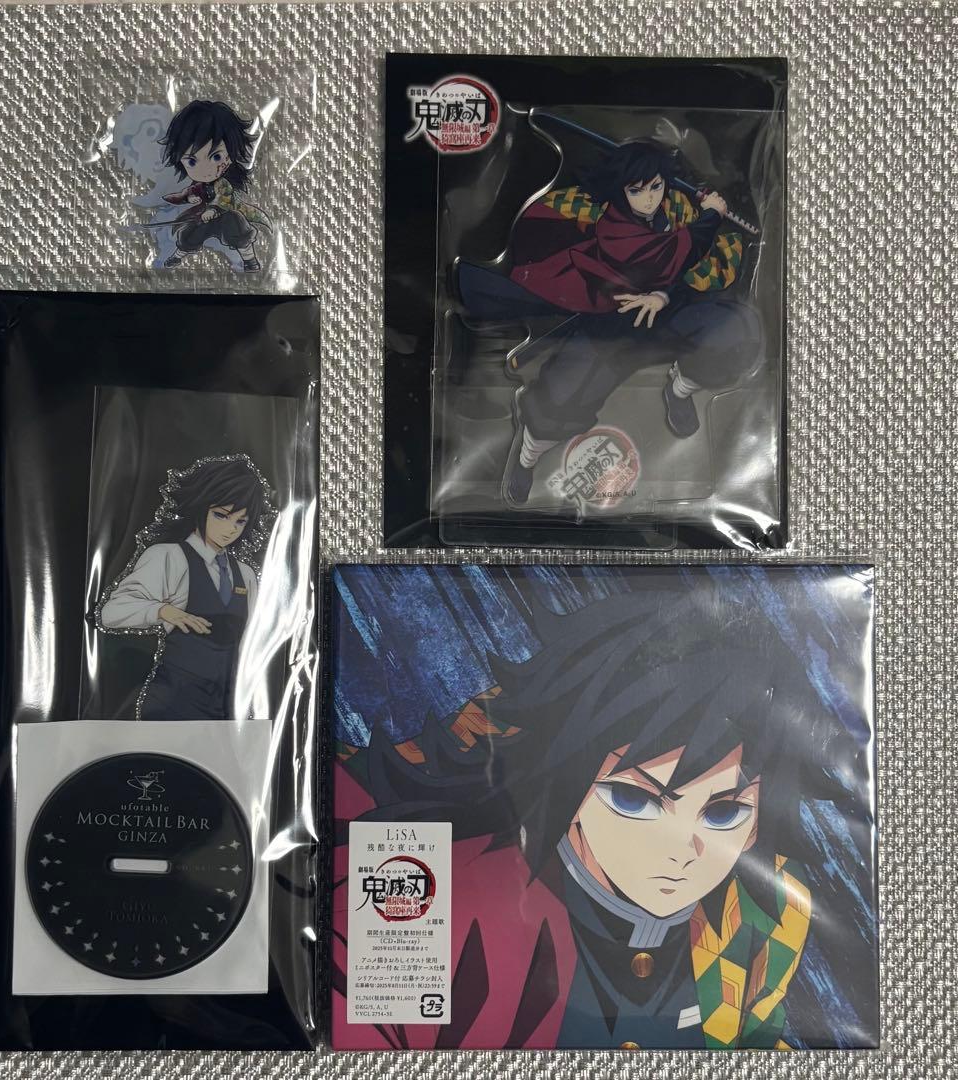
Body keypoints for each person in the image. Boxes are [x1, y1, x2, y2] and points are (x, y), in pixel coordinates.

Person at [333, 584, 867, 1049]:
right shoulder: (436, 891)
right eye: (635, 801)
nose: (682, 851)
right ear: (572, 782)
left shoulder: (762, 910)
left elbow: (758, 1049)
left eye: (724, 811)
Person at [455, 139, 761, 505]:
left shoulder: (678, 207)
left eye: (656, 186)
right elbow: (664, 257)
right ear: (621, 190)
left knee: (734, 333)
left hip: (666, 318)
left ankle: (680, 389)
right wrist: (710, 216)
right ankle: (526, 459)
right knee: (557, 404)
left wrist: (663, 295)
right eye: (637, 190)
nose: (649, 198)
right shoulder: (612, 225)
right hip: (610, 329)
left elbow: (691, 268)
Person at [100, 455, 267, 720]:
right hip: (173, 703)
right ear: (202, 507)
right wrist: (163, 611)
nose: (230, 529)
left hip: (227, 706)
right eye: (221, 515)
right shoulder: (168, 557)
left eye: (240, 521)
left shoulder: (245, 574)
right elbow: (111, 612)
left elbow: (253, 640)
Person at [155, 99, 271, 271]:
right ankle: (176, 257)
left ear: (231, 155)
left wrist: (214, 210)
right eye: (192, 161)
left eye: (216, 156)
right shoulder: (200, 185)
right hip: (205, 217)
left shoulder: (223, 183)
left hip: (227, 215)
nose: (205, 170)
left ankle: (250, 260)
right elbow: (189, 193)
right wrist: (188, 198)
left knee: (239, 230)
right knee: (190, 234)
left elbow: (224, 198)